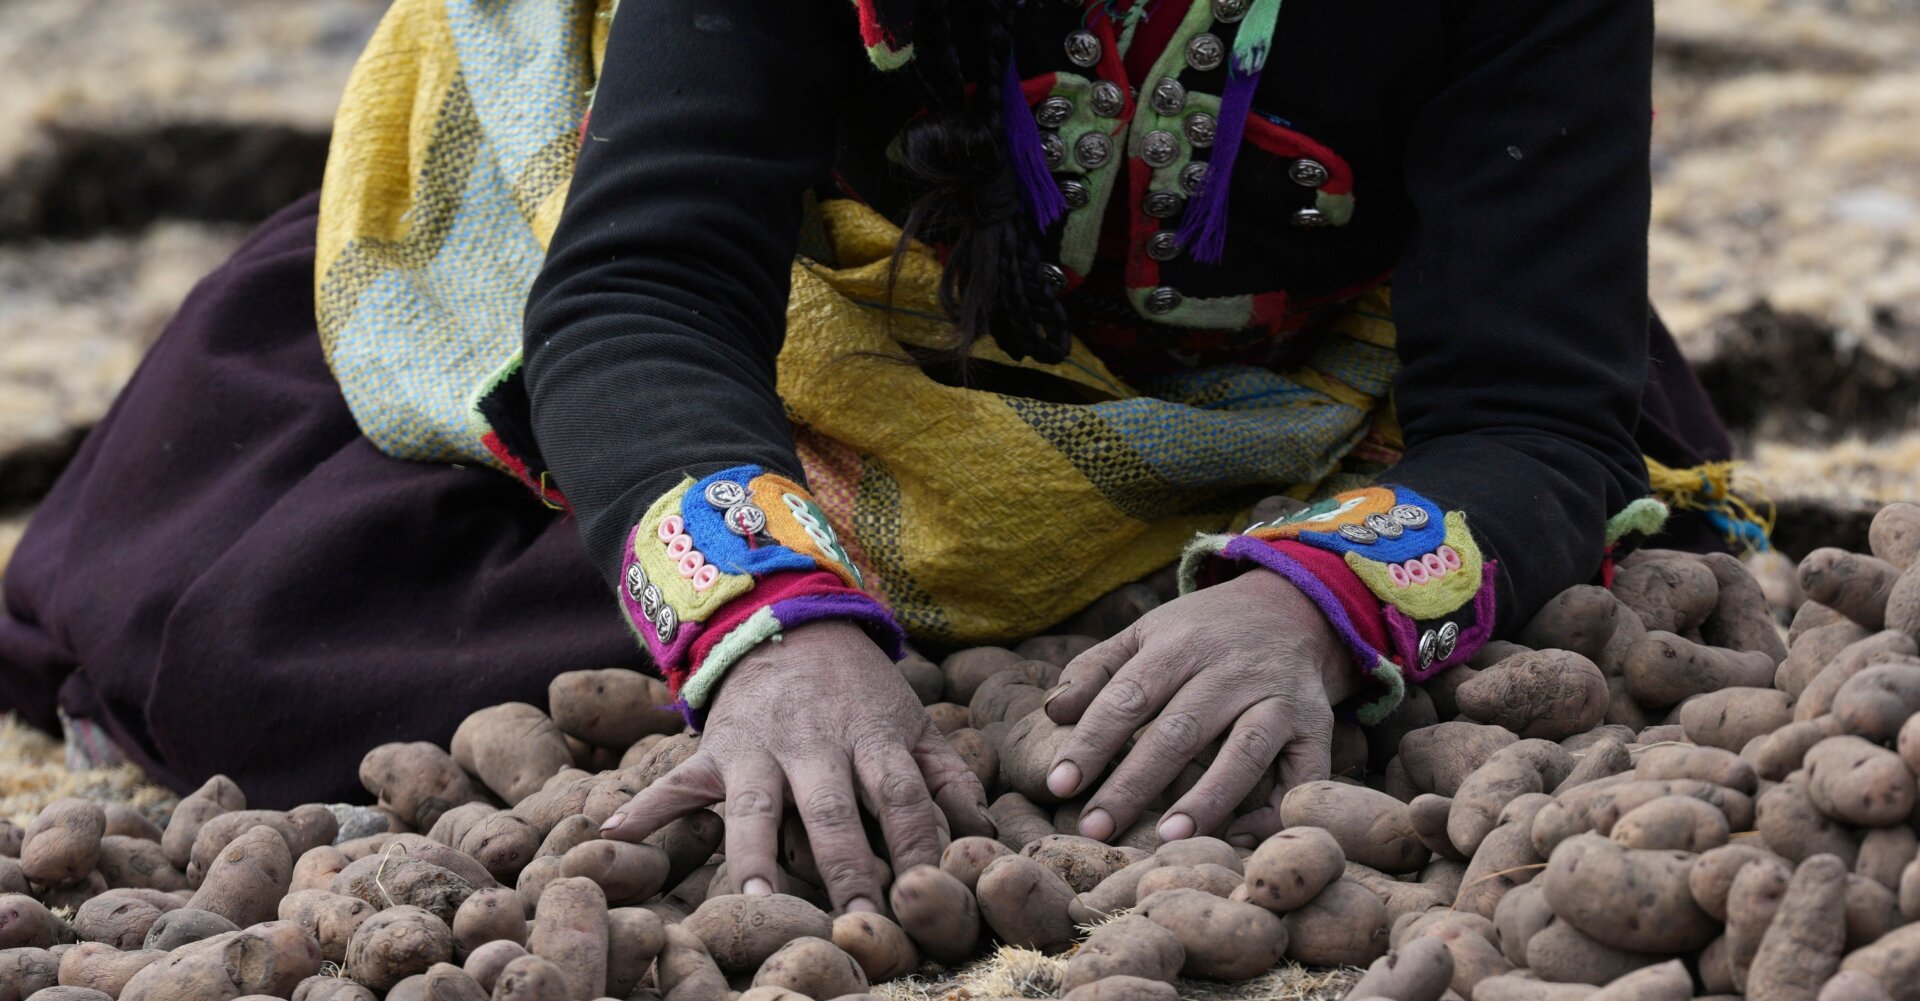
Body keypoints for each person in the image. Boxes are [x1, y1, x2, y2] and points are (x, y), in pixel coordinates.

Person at [0, 0, 1742, 913]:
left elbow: (1525, 407)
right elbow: (647, 291)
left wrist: (1308, 615)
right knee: (278, 648)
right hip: (804, 312)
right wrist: (772, 627)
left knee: (1578, 550)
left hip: (1300, 383)